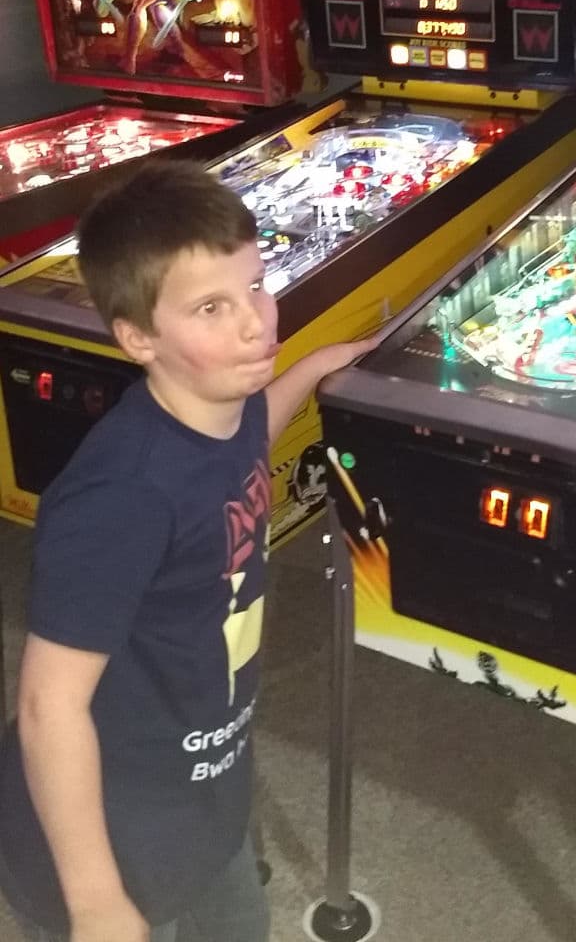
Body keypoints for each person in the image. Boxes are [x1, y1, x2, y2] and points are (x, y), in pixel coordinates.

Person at [0, 160, 373, 942]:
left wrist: (312, 368)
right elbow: (47, 706)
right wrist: (96, 902)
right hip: (110, 823)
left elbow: (244, 446)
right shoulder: (121, 497)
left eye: (258, 286)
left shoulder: (221, 405)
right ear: (137, 338)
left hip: (204, 783)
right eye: (211, 307)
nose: (255, 323)